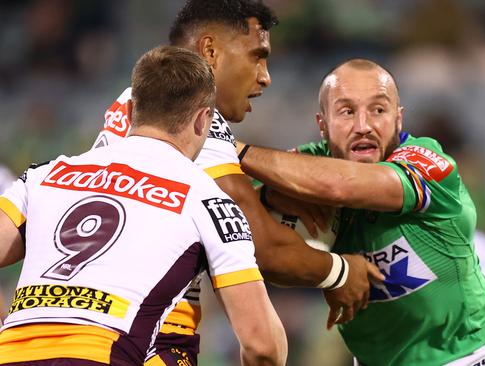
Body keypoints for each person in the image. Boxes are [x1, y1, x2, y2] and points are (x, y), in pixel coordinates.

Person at [95, 1, 381, 364]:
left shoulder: (136, 106)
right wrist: (342, 273)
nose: (265, 76)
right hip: (138, 339)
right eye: (256, 56)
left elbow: (185, 214)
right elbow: (261, 247)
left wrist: (266, 198)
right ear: (210, 51)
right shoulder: (194, 120)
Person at [0, 46, 287, 366]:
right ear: (203, 119)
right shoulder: (209, 201)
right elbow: (263, 345)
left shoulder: (46, 174)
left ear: (132, 108)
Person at [235, 59, 485, 365]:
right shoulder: (306, 166)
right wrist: (269, 196)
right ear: (323, 124)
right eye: (347, 111)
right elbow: (251, 233)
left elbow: (344, 187)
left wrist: (233, 150)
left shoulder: (429, 163)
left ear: (398, 119)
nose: (363, 126)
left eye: (378, 110)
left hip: (474, 354)